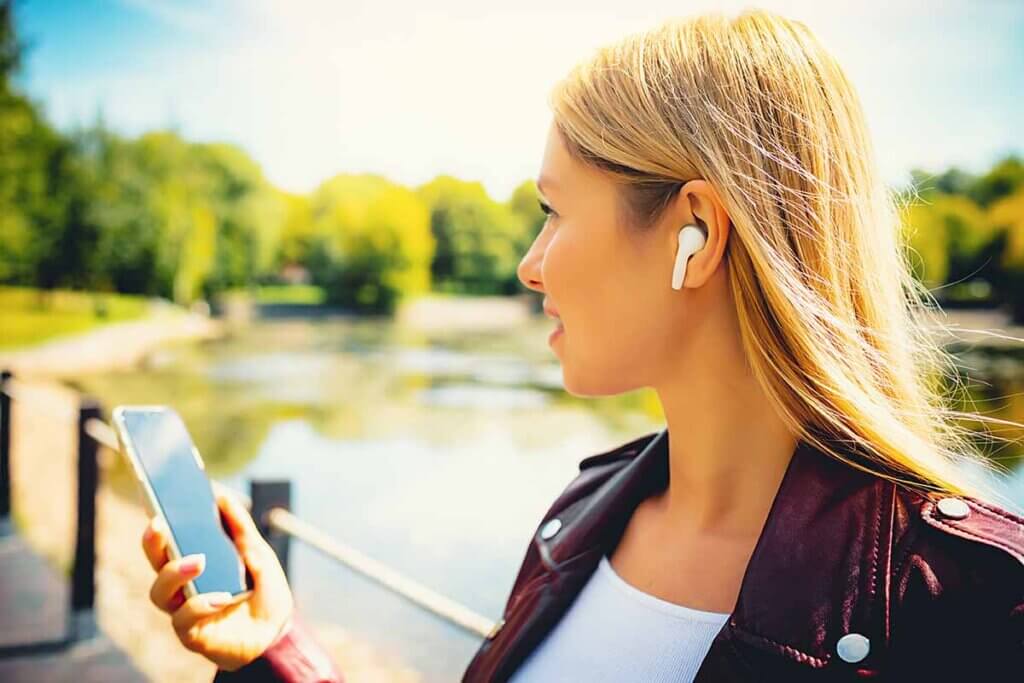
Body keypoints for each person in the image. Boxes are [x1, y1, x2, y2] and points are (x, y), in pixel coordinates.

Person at [140, 8, 1024, 682]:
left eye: (555, 211)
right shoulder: (587, 510)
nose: (529, 266)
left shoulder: (977, 603)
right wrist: (276, 649)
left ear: (698, 233)